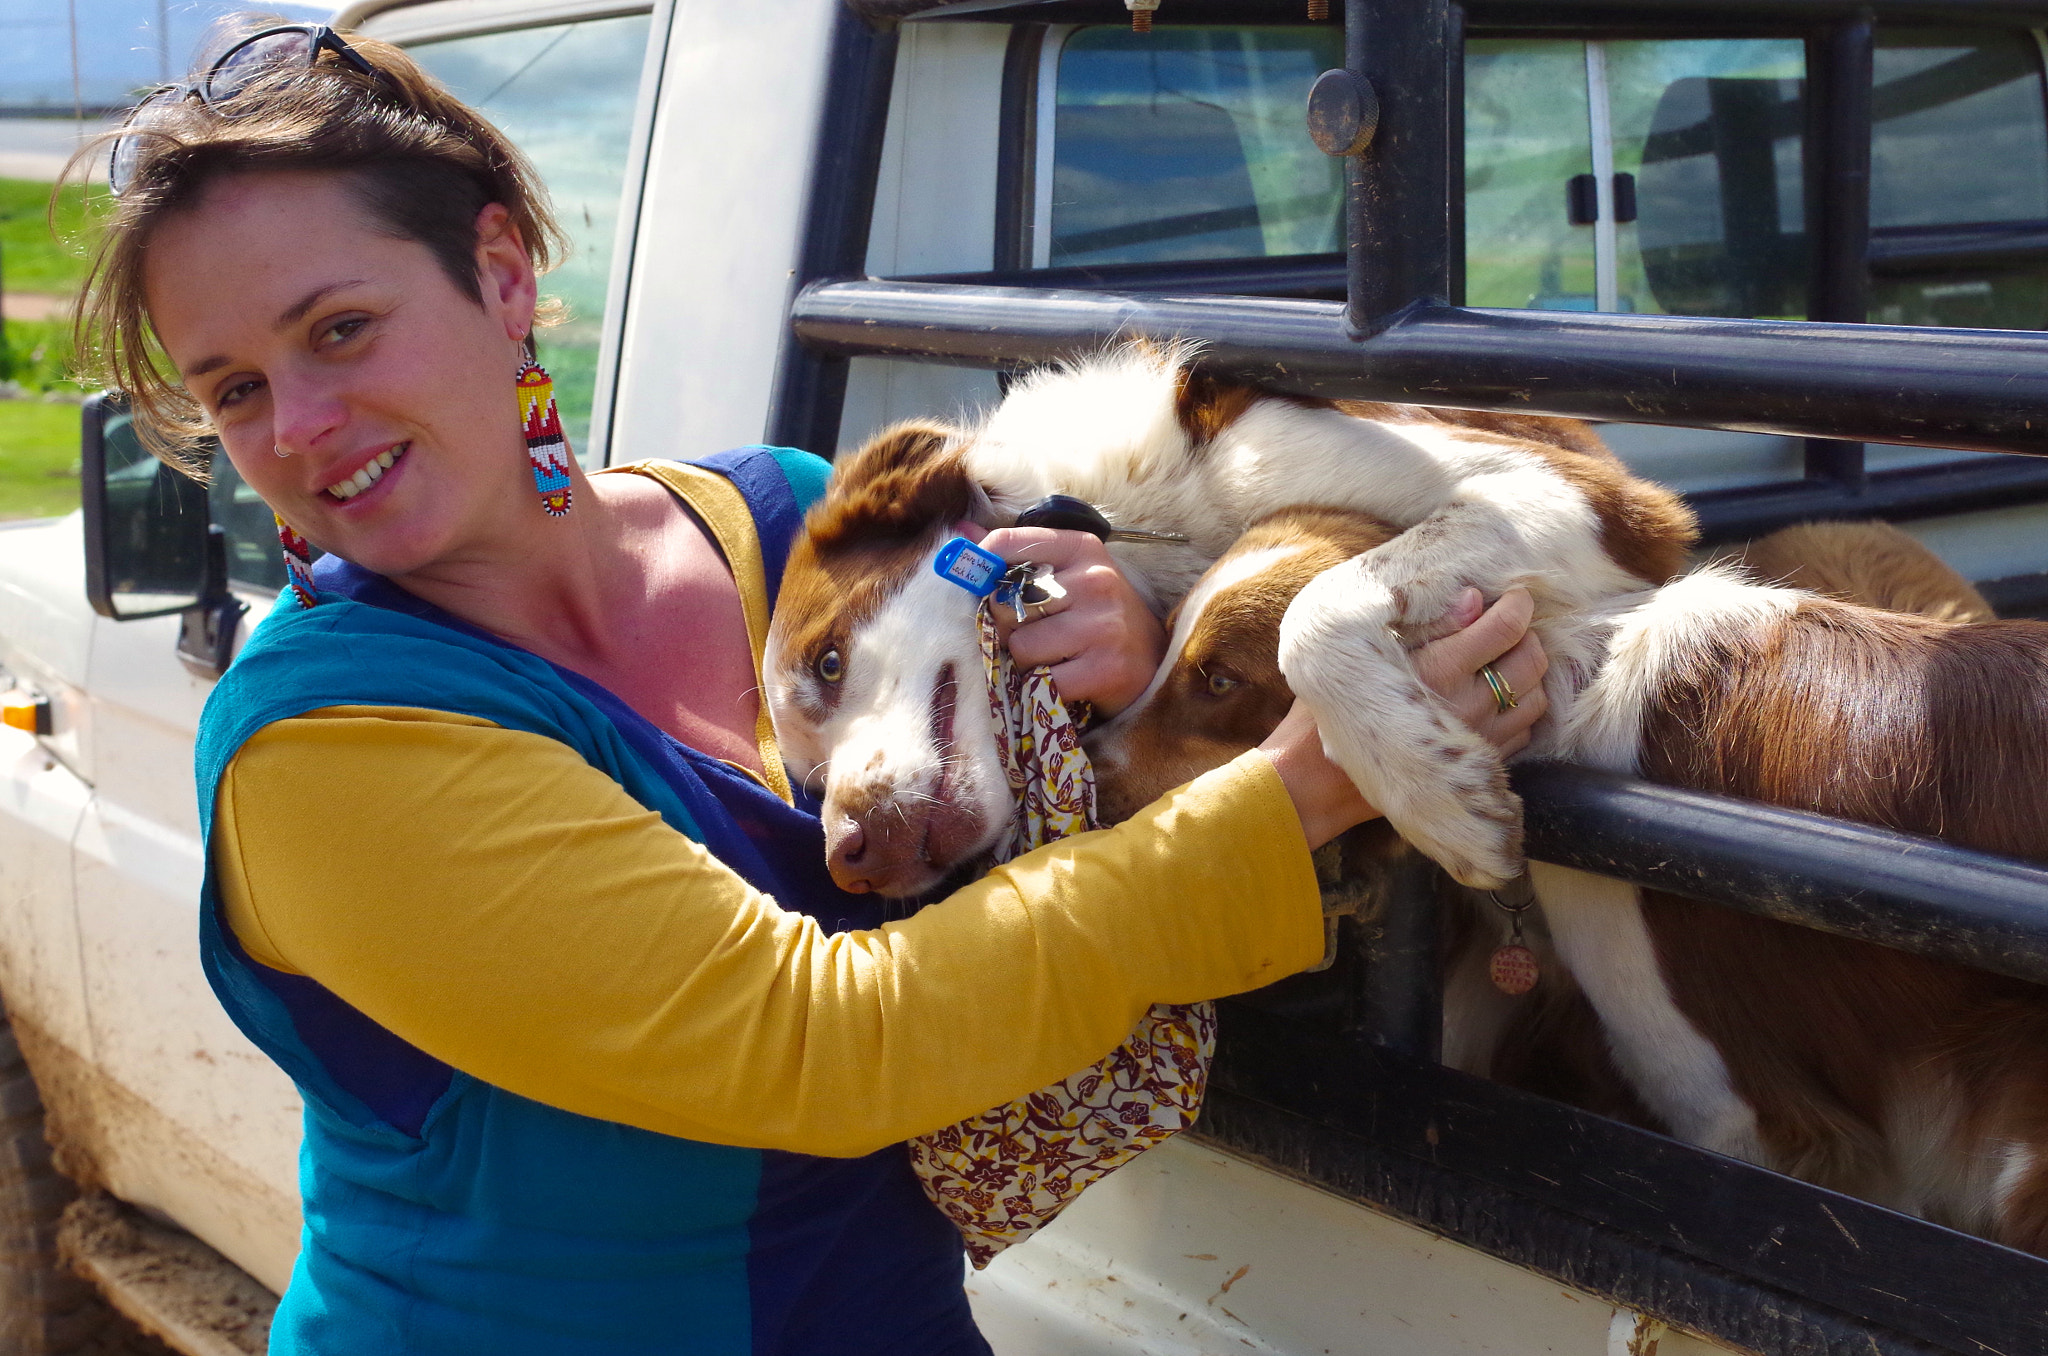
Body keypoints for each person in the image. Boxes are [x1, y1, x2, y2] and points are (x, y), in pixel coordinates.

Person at [76, 20, 1551, 1355]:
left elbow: (1031, 774)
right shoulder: (324, 750)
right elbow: (814, 1045)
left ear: (505, 273)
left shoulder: (786, 521)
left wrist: (1119, 640)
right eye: (235, 391)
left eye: (340, 330)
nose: (305, 426)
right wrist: (1285, 798)